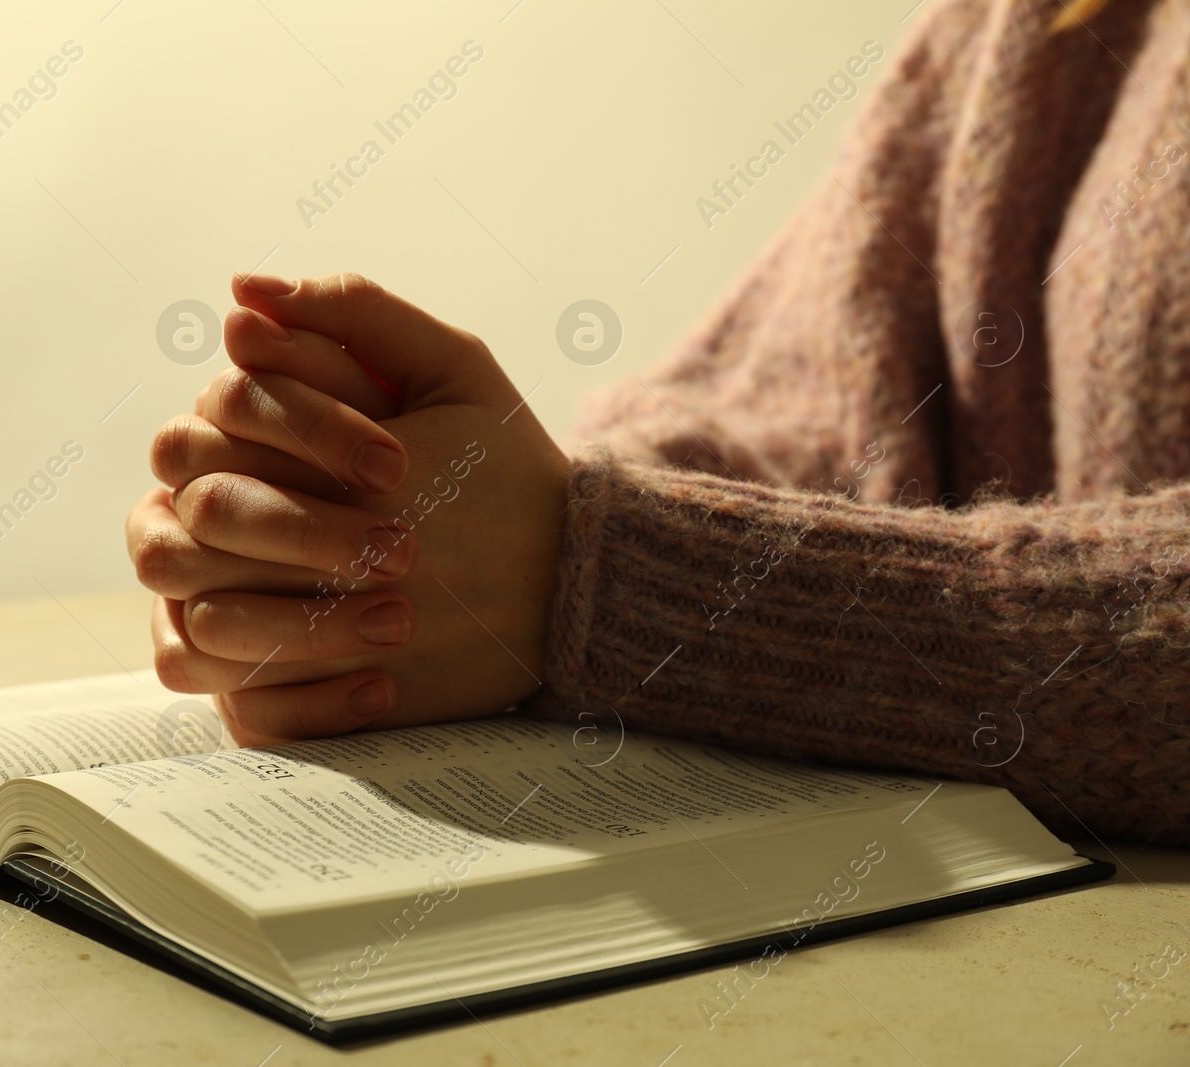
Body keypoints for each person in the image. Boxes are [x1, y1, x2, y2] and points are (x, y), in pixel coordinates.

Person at [126, 0, 1189, 847]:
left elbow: (600, 556)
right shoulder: (1032, 25)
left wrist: (596, 577)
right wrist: (406, 515)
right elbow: (792, 398)